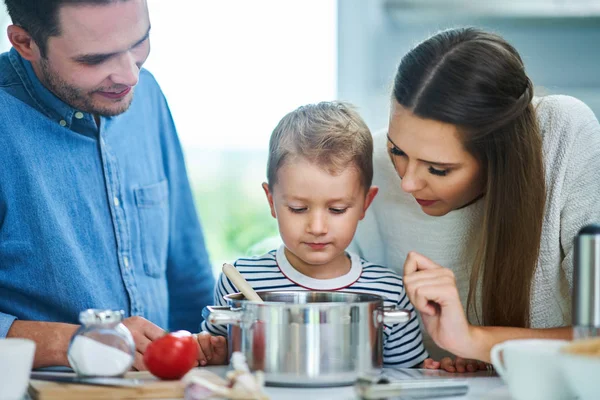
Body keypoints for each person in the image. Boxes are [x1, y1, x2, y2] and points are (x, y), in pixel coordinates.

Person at [351, 27, 600, 372]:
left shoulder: (561, 135)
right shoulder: (372, 164)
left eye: (438, 169)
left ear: (500, 155)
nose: (407, 183)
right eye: (398, 150)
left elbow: (597, 340)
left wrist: (472, 340)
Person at [0, 0, 215, 370]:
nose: (129, 75)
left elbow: (187, 275)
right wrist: (90, 342)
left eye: (139, 43)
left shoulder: (146, 96)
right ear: (25, 42)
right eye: (95, 60)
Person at [197, 101, 428, 368]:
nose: (317, 227)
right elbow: (218, 361)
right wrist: (212, 354)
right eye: (298, 208)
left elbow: (409, 379)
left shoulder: (389, 291)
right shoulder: (240, 282)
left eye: (337, 209)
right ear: (271, 201)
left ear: (365, 203)